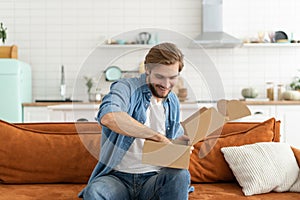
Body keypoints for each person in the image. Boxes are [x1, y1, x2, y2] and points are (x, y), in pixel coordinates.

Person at [79, 42, 191, 200]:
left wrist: (179, 144)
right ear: (147, 69)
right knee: (95, 192)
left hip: (154, 179)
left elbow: (172, 137)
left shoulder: (173, 101)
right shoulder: (126, 88)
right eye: (160, 77)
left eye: (172, 78)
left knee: (180, 174)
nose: (166, 85)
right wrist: (157, 137)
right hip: (118, 179)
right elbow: (109, 117)